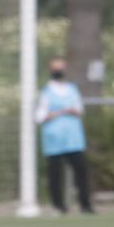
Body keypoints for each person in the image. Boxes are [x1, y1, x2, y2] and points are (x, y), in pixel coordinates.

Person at [35, 57, 94, 214]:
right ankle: (59, 206)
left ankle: (86, 206)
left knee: (81, 171)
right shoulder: (46, 92)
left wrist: (71, 111)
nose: (58, 70)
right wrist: (56, 113)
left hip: (73, 139)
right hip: (54, 139)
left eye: (61, 67)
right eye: (56, 68)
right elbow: (40, 116)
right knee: (55, 174)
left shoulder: (72, 89)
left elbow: (79, 109)